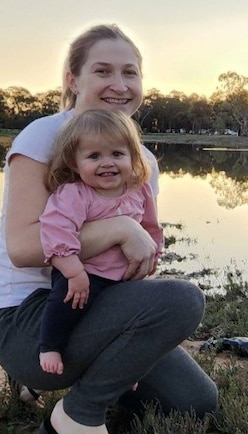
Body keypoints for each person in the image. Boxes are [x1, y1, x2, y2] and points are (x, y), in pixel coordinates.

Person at [0, 24, 218, 434]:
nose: (120, 84)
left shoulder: (141, 160)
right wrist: (117, 227)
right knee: (185, 299)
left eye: (130, 72)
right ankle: (77, 417)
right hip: (29, 317)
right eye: (103, 70)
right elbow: (23, 249)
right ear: (73, 79)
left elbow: (132, 256)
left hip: (98, 303)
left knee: (195, 404)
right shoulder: (43, 137)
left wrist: (130, 348)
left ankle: (95, 377)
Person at [38, 109, 163, 375]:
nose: (107, 163)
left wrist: (153, 257)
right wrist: (74, 272)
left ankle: (125, 368)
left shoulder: (139, 190)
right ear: (75, 164)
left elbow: (151, 227)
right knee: (64, 303)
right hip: (85, 275)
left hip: (125, 279)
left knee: (133, 324)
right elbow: (55, 234)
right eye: (94, 156)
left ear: (133, 156)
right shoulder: (74, 194)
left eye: (117, 154)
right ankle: (50, 346)